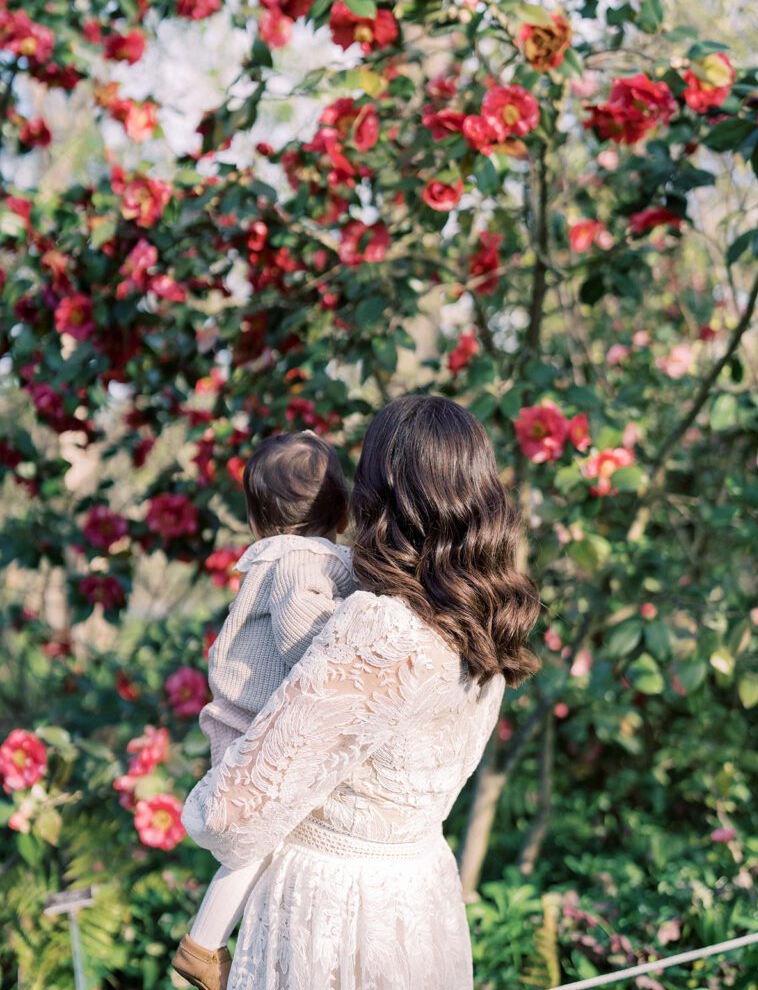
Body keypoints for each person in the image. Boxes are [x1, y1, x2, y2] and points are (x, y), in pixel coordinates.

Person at [181, 395, 541, 990]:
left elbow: (232, 815)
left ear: (380, 496)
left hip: (331, 908)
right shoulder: (486, 623)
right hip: (420, 897)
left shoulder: (380, 626)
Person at [173, 431, 356, 990]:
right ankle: (202, 947)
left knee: (262, 840)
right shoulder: (303, 561)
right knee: (256, 840)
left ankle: (212, 942)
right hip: (255, 727)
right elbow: (302, 636)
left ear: (257, 520)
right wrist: (351, 647)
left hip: (251, 717)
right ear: (343, 509)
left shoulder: (293, 556)